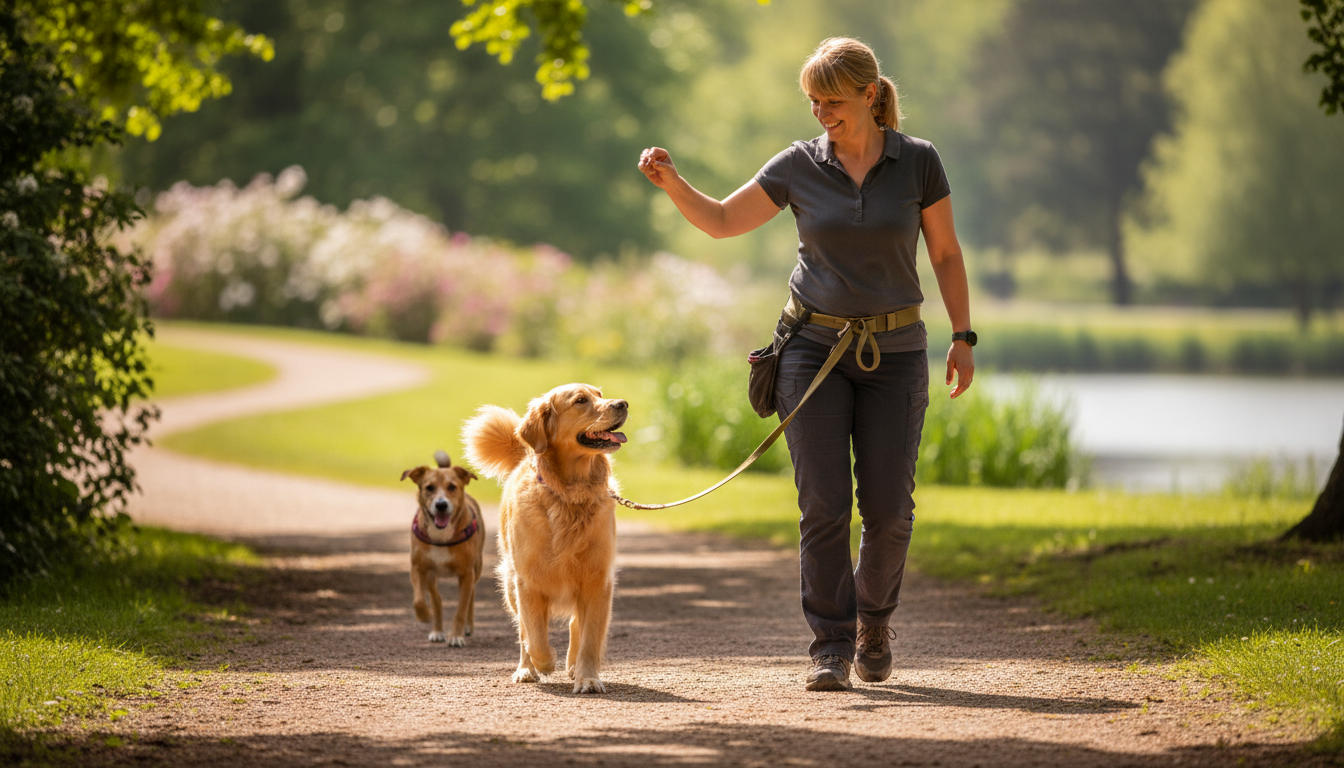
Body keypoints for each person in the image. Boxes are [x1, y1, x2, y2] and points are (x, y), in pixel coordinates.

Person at [637, 37, 975, 691]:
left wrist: (964, 336)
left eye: (833, 101)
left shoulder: (919, 163)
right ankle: (831, 646)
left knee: (889, 512)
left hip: (897, 354)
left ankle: (874, 621)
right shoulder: (798, 165)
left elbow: (947, 255)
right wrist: (673, 182)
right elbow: (723, 221)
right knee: (823, 504)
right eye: (813, 103)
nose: (821, 114)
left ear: (871, 96)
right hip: (811, 350)